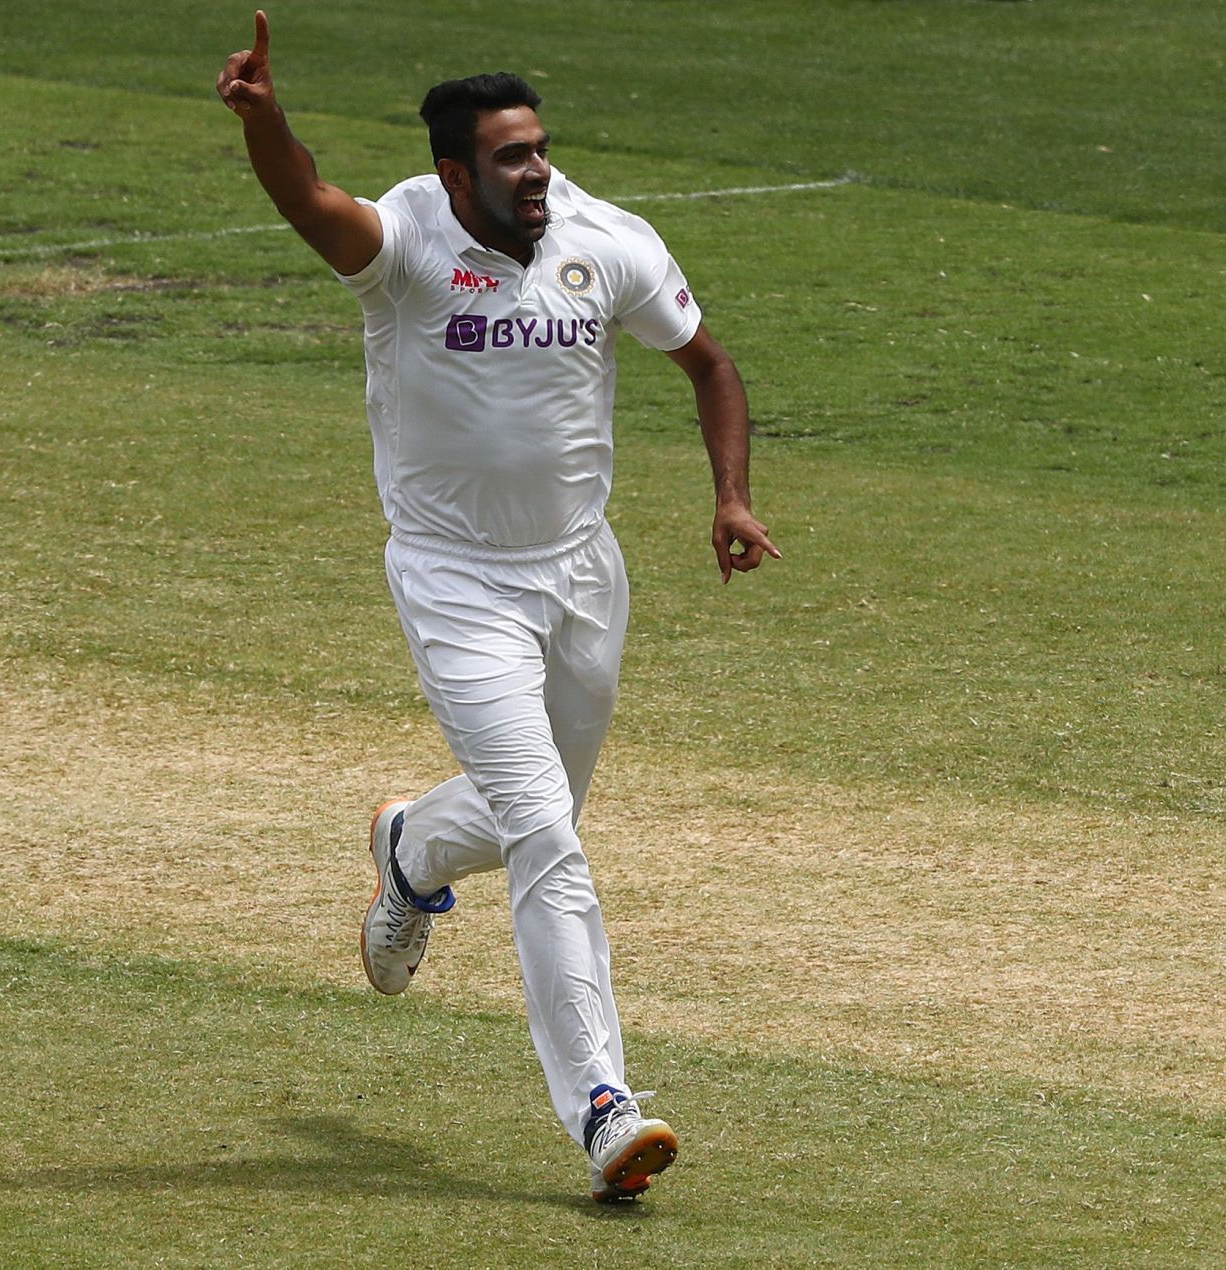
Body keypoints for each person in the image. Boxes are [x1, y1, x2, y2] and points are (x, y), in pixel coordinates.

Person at [217, 9, 779, 1203]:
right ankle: (602, 1107)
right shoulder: (408, 243)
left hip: (583, 575)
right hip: (456, 580)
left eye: (540, 149)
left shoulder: (604, 238)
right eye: (511, 156)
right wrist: (269, 127)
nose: (536, 172)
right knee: (546, 834)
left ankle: (412, 848)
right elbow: (313, 204)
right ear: (452, 170)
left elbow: (710, 364)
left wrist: (732, 498)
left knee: (545, 808)